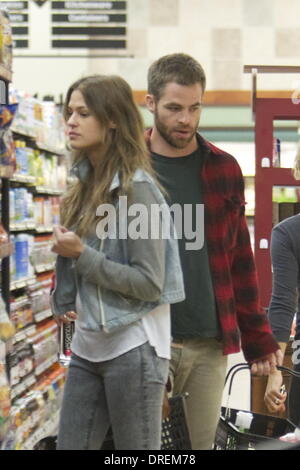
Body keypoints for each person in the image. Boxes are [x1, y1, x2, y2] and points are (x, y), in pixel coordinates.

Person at [145, 53, 282, 450]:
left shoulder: (223, 169)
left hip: (208, 343)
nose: (185, 119)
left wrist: (258, 338)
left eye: (194, 107)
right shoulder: (127, 166)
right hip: (145, 339)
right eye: (174, 108)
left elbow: (239, 260)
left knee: (199, 447)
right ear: (151, 103)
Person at [50, 74, 185, 450]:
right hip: (89, 344)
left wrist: (82, 255)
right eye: (69, 112)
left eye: (84, 113)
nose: (71, 121)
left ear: (111, 120)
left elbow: (149, 283)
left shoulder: (138, 191)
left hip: (134, 345)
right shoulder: (81, 186)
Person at [264, 149, 300, 426]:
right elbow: (282, 304)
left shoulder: (287, 233)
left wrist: (275, 371)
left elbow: (283, 303)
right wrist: (275, 369)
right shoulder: (288, 233)